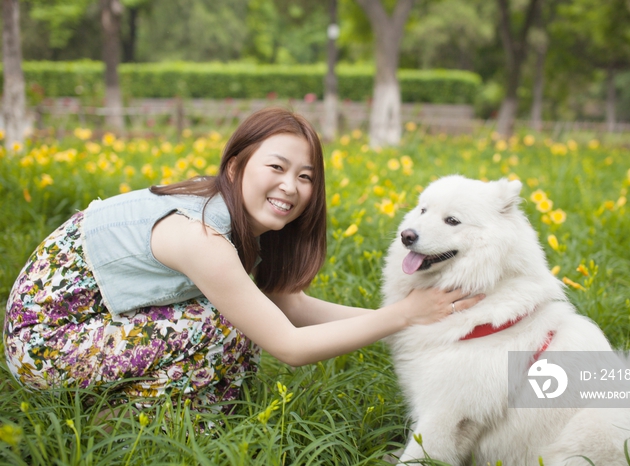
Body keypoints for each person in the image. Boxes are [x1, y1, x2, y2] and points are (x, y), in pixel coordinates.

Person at [4, 107, 480, 410]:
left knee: (243, 322)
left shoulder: (235, 218)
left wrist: (409, 319)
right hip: (47, 344)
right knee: (229, 325)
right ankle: (120, 423)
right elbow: (289, 345)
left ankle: (173, 415)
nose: (291, 187)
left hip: (96, 324)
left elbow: (289, 305)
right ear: (236, 166)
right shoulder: (201, 237)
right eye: (276, 167)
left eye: (306, 176)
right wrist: (402, 314)